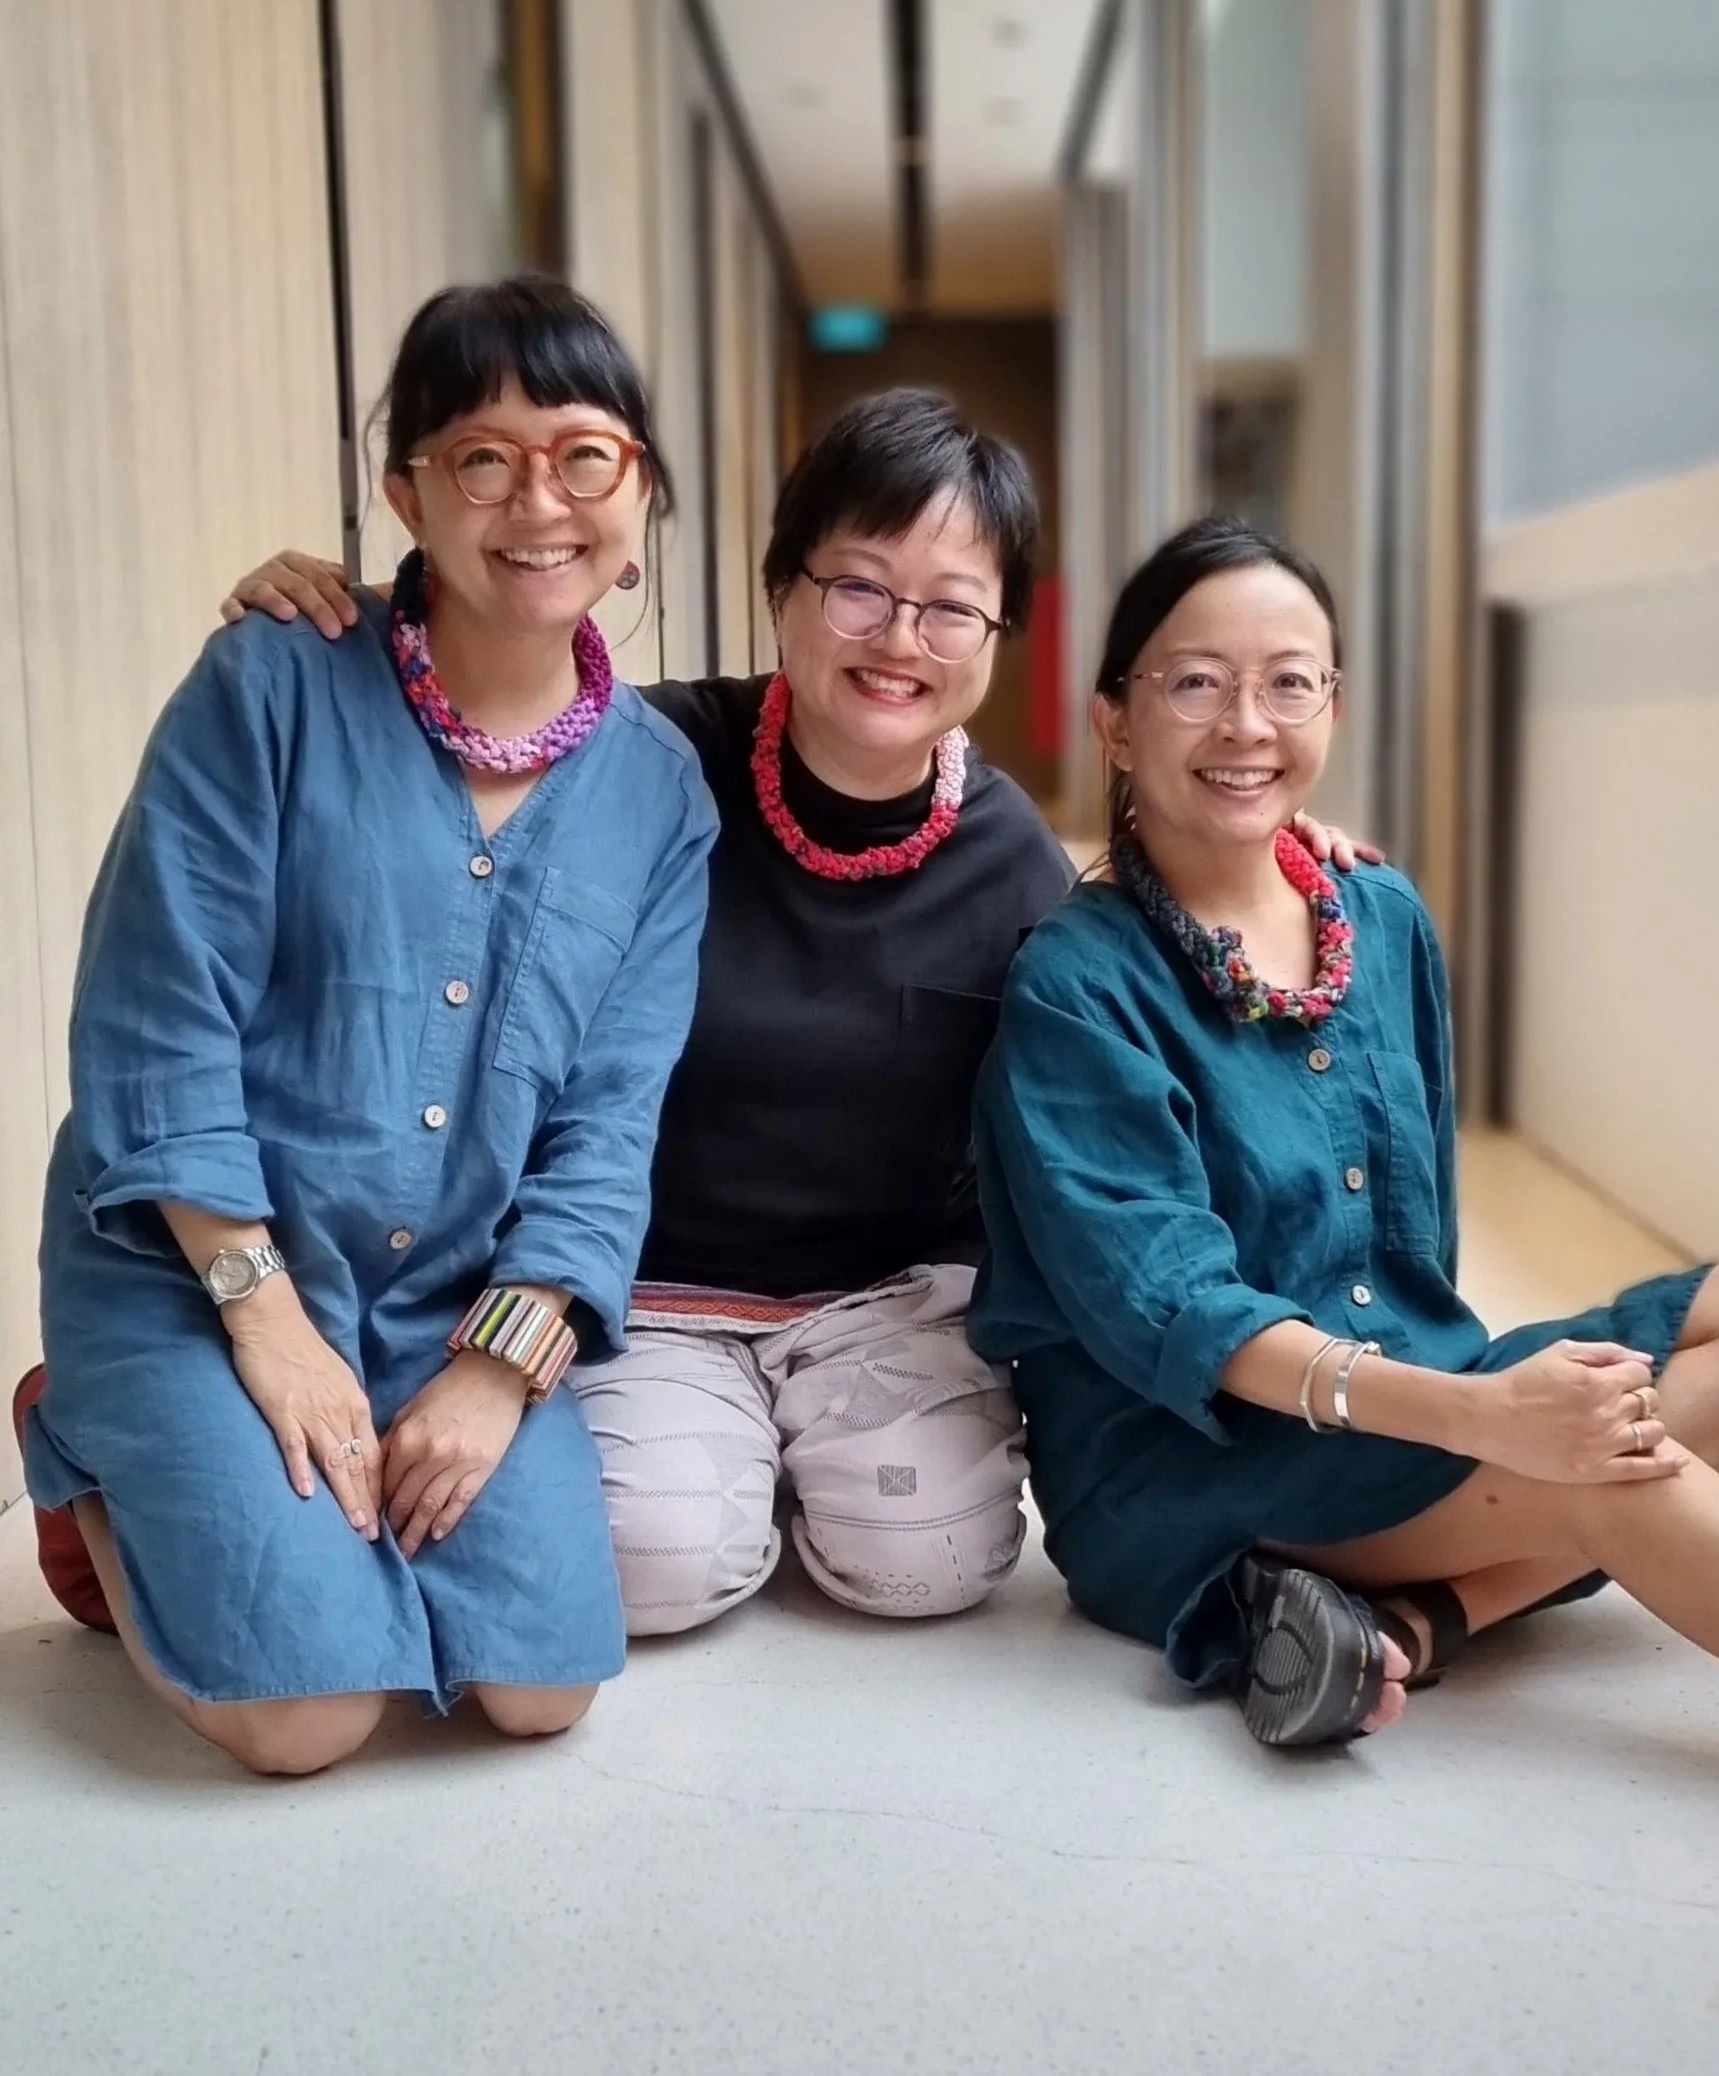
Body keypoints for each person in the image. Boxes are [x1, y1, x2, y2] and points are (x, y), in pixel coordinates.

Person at [215, 403, 1371, 1637]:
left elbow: (1159, 944)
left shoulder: (1016, 865)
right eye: (858, 589)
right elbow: (450, 762)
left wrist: (1273, 849)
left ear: (995, 636)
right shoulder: (636, 759)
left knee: (929, 1568)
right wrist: (348, 638)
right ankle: (705, 1463)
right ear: (780, 587)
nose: (898, 642)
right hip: (634, 1284)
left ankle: (778, 1458)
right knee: (647, 1566)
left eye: (950, 608)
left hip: (881, 1301)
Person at [13, 276, 715, 1774]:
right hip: (196, 1266)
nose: (539, 498)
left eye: (584, 453)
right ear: (406, 488)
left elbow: (608, 1118)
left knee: (540, 1686)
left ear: (637, 485)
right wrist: (264, 1324)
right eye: (481, 456)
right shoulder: (269, 681)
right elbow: (156, 1014)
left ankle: (278, 1517)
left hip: (441, 1302)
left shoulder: (659, 795)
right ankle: (85, 1452)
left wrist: (499, 1368)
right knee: (306, 1715)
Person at [970, 516, 1719, 1749]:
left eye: (1289, 683)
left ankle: (1417, 1620)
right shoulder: (1075, 985)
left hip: (1418, 1392)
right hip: (1185, 1468)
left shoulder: (1378, 917)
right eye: (1194, 683)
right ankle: (1372, 1570)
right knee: (1607, 1475)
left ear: (1332, 705)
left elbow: (1415, 1252)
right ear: (1114, 720)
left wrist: (1487, 1406)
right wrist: (1488, 1424)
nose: (1246, 726)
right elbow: (1180, 1314)